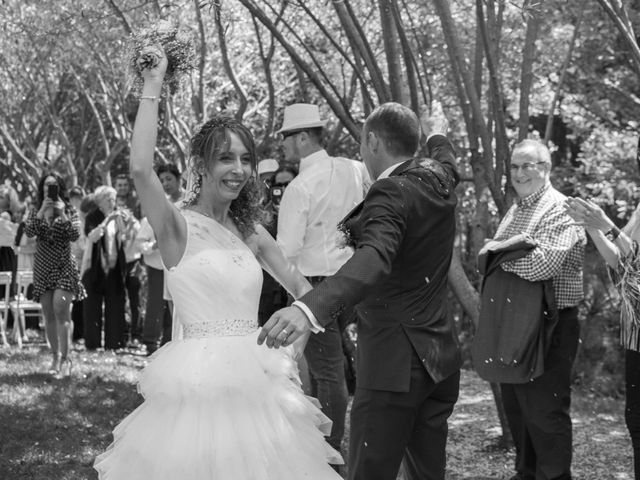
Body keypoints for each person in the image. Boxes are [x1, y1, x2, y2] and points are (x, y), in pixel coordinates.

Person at [94, 45, 342, 479]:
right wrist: (153, 85)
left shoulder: (251, 231)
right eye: (226, 157)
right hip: (197, 393)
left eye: (246, 158)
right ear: (201, 165)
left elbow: (306, 292)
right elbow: (139, 170)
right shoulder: (176, 226)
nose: (240, 169)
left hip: (261, 387)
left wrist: (293, 338)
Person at [260, 102, 462, 480]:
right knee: (426, 472)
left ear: (371, 141)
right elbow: (448, 161)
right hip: (439, 359)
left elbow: (375, 258)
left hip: (393, 365)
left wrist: (308, 309)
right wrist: (437, 133)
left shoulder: (390, 190)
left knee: (371, 471)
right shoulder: (439, 178)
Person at [481, 140, 585, 480]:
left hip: (552, 325)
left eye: (530, 165)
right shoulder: (517, 208)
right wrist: (503, 254)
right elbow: (498, 258)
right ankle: (526, 474)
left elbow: (544, 263)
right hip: (515, 325)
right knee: (520, 410)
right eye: (515, 166)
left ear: (547, 168)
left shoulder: (560, 208)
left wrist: (499, 255)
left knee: (546, 411)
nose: (521, 173)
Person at [275, 102, 369, 456]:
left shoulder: (299, 188)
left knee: (327, 372)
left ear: (302, 138)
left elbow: (286, 251)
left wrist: (294, 298)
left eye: (286, 137)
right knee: (349, 365)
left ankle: (330, 450)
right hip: (358, 280)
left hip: (314, 286)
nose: (282, 144)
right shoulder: (356, 169)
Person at [564, 196, 640, 479]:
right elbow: (624, 266)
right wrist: (593, 227)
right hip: (635, 335)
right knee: (635, 421)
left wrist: (606, 224)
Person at [25, 173, 85, 376]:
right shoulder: (35, 210)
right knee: (49, 313)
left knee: (61, 307)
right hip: (43, 266)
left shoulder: (69, 209)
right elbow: (29, 232)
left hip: (63, 266)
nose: (49, 189)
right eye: (45, 186)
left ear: (60, 188)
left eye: (53, 186)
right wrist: (42, 211)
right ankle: (55, 356)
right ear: (41, 189)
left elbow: (75, 234)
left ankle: (66, 358)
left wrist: (62, 213)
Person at [82, 186, 129, 350]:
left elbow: (126, 237)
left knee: (115, 305)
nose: (112, 202)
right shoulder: (92, 217)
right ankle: (92, 344)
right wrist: (107, 220)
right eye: (108, 199)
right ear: (99, 202)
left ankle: (114, 344)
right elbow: (92, 236)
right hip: (94, 267)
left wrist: (125, 222)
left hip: (114, 267)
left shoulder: (118, 217)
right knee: (92, 307)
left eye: (113, 199)